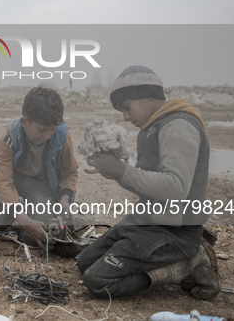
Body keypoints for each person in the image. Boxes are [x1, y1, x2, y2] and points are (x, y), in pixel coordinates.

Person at [77, 65, 220, 300]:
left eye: (127, 107)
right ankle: (158, 259)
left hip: (176, 232)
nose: (125, 117)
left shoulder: (179, 125)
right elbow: (148, 185)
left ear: (149, 95)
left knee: (97, 281)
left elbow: (175, 188)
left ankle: (189, 262)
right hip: (147, 222)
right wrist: (115, 172)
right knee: (84, 262)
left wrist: (122, 169)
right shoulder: (151, 129)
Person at [0, 86, 79, 248]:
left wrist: (65, 200)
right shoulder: (9, 137)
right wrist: (22, 218)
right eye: (42, 130)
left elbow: (70, 173)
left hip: (43, 187)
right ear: (24, 122)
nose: (48, 135)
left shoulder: (61, 135)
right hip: (16, 179)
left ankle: (15, 210)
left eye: (52, 129)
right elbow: (3, 181)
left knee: (34, 237)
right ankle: (12, 210)